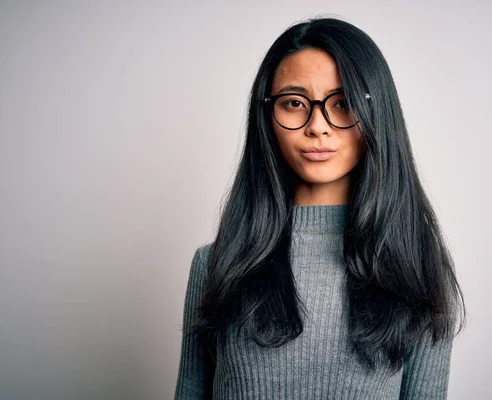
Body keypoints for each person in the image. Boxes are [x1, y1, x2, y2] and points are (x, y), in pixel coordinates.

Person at [174, 17, 466, 400]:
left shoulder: (419, 270)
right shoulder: (216, 266)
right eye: (294, 103)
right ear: (267, 118)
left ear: (378, 113)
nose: (318, 126)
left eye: (342, 103)